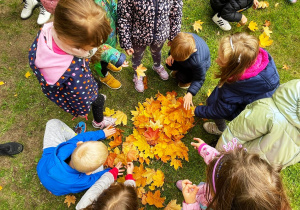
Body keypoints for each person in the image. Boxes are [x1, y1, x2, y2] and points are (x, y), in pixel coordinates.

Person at [28, 0, 117, 128]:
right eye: (90, 47)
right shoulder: (72, 70)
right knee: (98, 100)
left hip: (77, 80)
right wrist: (81, 110)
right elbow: (78, 95)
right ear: (76, 45)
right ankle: (99, 122)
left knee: (94, 87)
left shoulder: (53, 30)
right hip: (81, 90)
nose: (94, 49)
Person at [194, 32, 279, 135]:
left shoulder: (232, 89)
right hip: (261, 103)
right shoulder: (257, 59)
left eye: (221, 60)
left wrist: (196, 111)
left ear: (234, 68)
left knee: (213, 103)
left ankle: (221, 129)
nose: (216, 60)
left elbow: (220, 111)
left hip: (247, 115)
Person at [176, 137, 291, 210]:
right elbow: (223, 165)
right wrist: (204, 149)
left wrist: (191, 203)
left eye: (213, 183)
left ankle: (192, 196)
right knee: (200, 189)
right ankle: (193, 191)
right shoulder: (235, 171)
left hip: (204, 204)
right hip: (207, 194)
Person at [39, 0, 128, 89]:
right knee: (100, 62)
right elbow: (96, 49)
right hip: (97, 41)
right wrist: (116, 56)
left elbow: (112, 5)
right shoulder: (80, 21)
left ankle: (108, 61)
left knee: (104, 54)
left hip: (107, 35)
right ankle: (104, 76)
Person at [217, 79, 300, 168]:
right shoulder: (269, 114)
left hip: (257, 174)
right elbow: (234, 135)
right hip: (236, 163)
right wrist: (217, 161)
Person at [37, 119, 116, 196]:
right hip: (57, 185)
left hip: (47, 161)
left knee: (53, 123)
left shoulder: (70, 146)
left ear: (79, 144)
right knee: (100, 169)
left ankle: (50, 185)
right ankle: (52, 187)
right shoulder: (79, 182)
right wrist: (110, 172)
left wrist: (102, 133)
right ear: (88, 173)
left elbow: (83, 137)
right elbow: (95, 179)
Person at [117, 0, 183, 92]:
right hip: (138, 36)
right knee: (137, 56)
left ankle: (157, 66)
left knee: (157, 52)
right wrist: (126, 42)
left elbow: (176, 14)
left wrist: (174, 36)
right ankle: (138, 73)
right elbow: (124, 18)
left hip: (160, 34)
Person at [165, 32, 211, 110]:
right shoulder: (181, 40)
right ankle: (178, 67)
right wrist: (171, 55)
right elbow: (176, 48)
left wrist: (190, 93)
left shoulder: (198, 62)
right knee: (170, 64)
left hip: (194, 68)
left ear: (191, 52)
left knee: (182, 78)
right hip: (187, 62)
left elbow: (199, 79)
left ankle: (187, 82)